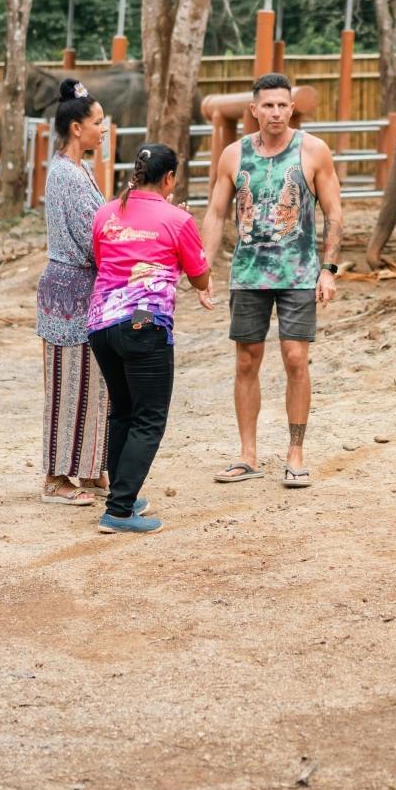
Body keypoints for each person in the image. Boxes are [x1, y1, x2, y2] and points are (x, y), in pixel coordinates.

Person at [201, 73, 344, 490]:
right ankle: (248, 455)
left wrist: (328, 269)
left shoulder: (313, 151)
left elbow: (334, 212)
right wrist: (203, 269)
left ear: (292, 107)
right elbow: (215, 213)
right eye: (268, 106)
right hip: (248, 274)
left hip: (298, 272)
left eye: (283, 105)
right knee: (246, 360)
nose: (276, 113)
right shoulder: (234, 155)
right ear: (254, 110)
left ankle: (295, 453)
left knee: (295, 358)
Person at [86, 144, 214, 534]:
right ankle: (120, 510)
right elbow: (201, 277)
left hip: (101, 323)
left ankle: (123, 495)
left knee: (123, 411)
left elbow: (101, 260)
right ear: (169, 178)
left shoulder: (106, 213)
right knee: (149, 418)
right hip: (142, 320)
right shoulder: (177, 218)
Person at [37, 79, 111, 505]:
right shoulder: (66, 174)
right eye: (98, 122)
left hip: (84, 289)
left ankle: (88, 465)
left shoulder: (79, 169)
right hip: (69, 290)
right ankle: (56, 477)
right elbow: (91, 236)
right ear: (77, 128)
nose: (103, 129)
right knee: (68, 384)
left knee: (92, 380)